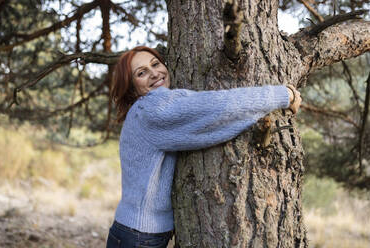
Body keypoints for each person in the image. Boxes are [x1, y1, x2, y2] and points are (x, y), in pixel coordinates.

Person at [106, 46, 302, 248]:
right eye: (141, 73)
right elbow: (218, 106)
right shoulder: (151, 109)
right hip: (138, 236)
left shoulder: (143, 111)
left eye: (155, 64)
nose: (154, 73)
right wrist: (282, 95)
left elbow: (208, 122)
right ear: (132, 88)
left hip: (134, 232)